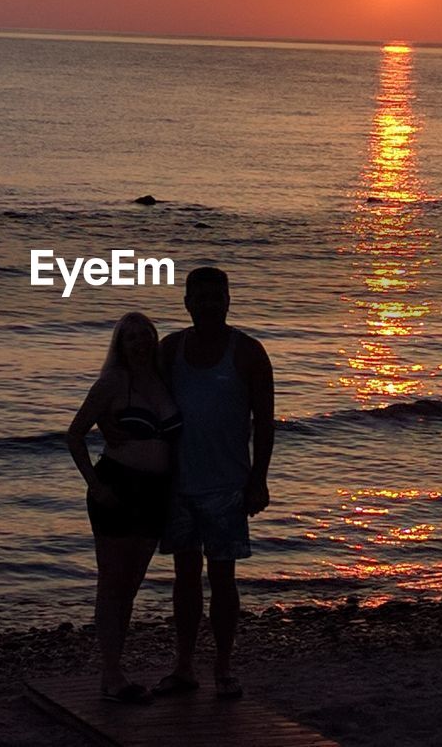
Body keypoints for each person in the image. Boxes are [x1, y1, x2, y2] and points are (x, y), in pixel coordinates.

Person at [152, 267, 274, 701]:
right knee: (184, 577)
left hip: (227, 485)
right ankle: (184, 665)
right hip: (178, 485)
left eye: (215, 296)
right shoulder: (169, 350)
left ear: (228, 299)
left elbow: (265, 421)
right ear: (186, 302)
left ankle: (223, 666)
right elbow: (143, 406)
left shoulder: (248, 353)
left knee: (223, 578)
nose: (207, 304)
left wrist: (258, 479)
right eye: (199, 297)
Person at [65, 311, 181, 704]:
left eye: (145, 335)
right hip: (117, 488)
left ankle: (115, 671)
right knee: (112, 584)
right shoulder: (114, 382)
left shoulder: (165, 381)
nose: (139, 342)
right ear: (120, 345)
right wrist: (95, 486)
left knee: (129, 587)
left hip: (155, 492)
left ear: (154, 339)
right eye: (130, 337)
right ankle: (111, 674)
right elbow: (75, 434)